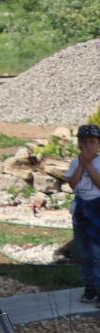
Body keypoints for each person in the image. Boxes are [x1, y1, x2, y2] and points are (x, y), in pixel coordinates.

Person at [65, 123, 100, 305]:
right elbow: (72, 183)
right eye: (83, 142)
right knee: (84, 251)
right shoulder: (74, 163)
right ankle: (90, 287)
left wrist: (89, 165)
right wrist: (81, 165)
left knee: (96, 252)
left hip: (97, 209)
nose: (87, 146)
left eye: (92, 142)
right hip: (81, 210)